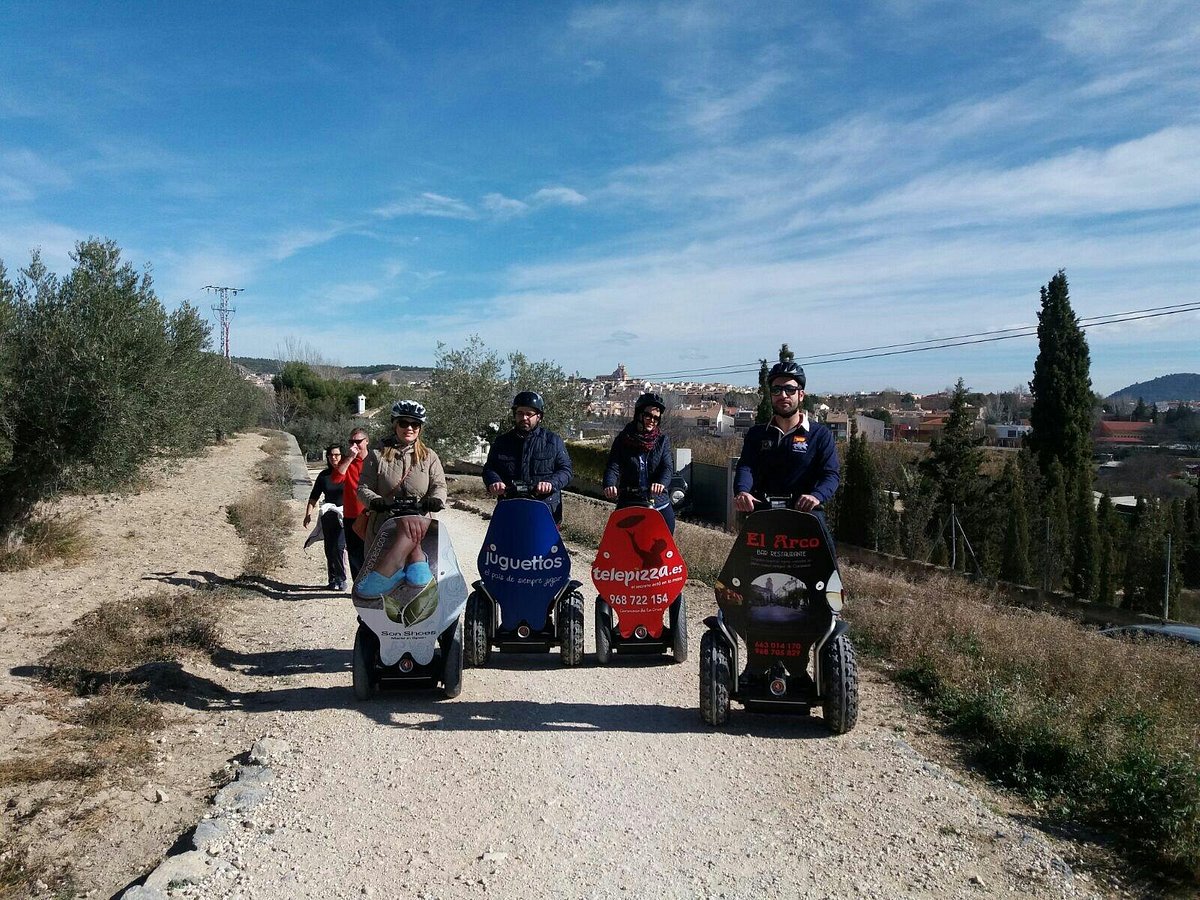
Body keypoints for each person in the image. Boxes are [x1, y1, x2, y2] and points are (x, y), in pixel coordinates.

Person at [355, 400, 448, 597]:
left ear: (420, 428)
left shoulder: (429, 456)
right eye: (404, 423)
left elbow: (439, 485)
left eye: (415, 424)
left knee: (412, 522)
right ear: (394, 424)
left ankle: (398, 564)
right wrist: (375, 501)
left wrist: (436, 500)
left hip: (420, 520)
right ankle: (416, 559)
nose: (409, 428)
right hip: (384, 525)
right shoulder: (376, 455)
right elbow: (363, 487)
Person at [733, 360, 839, 519]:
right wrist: (742, 492)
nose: (783, 395)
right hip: (763, 516)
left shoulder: (820, 435)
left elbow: (831, 475)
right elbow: (746, 467)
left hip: (805, 518)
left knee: (826, 544)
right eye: (776, 390)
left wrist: (816, 496)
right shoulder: (756, 434)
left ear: (801, 395)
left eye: (790, 389)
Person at [483, 390, 573, 524]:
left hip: (545, 511)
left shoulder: (553, 441)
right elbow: (490, 468)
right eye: (520, 413)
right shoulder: (502, 442)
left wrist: (550, 483)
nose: (524, 418)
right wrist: (494, 481)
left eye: (529, 414)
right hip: (510, 509)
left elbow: (566, 470)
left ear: (539, 417)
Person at [603, 392, 677, 532]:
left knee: (665, 545)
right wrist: (609, 484)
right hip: (630, 500)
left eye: (656, 418)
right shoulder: (623, 439)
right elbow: (613, 466)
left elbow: (667, 467)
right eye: (648, 416)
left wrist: (661, 483)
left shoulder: (662, 441)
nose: (652, 421)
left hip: (657, 501)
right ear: (639, 415)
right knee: (619, 541)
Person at [304, 444, 347, 590]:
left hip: (344, 515)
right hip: (328, 515)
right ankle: (332, 579)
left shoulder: (348, 473)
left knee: (340, 547)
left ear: (342, 456)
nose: (334, 458)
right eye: (331, 455)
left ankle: (342, 578)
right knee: (329, 548)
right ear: (328, 457)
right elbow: (314, 496)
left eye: (337, 455)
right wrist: (308, 514)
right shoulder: (324, 476)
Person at [330, 426, 370, 580]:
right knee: (355, 553)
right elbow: (336, 479)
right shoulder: (348, 462)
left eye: (358, 441)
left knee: (373, 552)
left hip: (371, 514)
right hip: (352, 515)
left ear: (366, 441)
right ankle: (359, 588)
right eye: (351, 442)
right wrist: (349, 458)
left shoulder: (374, 461)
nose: (354, 445)